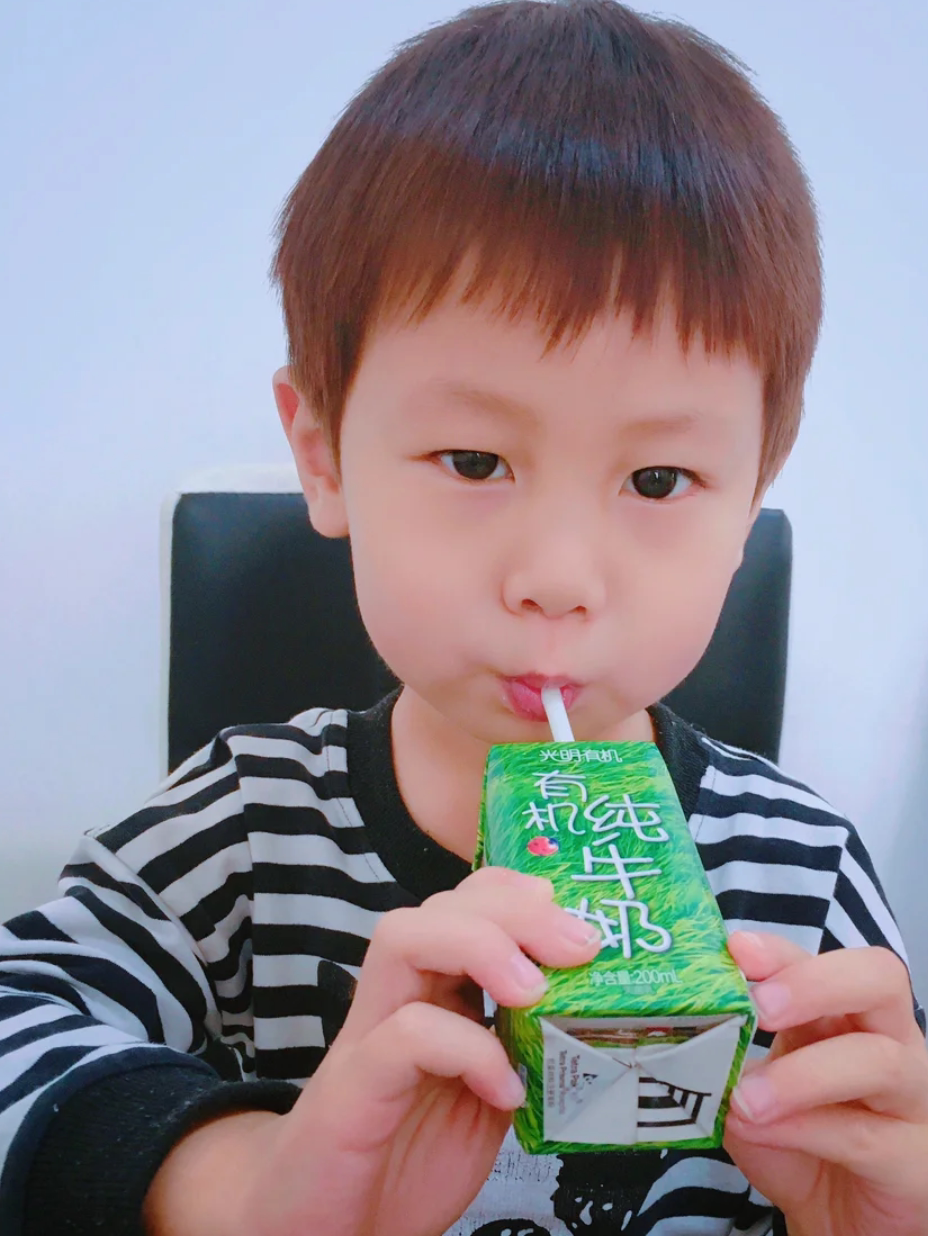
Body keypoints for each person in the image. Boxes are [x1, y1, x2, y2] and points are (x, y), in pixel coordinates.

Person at [2, 1, 927, 1233]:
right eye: (476, 460)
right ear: (323, 455)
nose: (558, 576)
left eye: (658, 479)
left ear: (753, 489)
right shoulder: (237, 834)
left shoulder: (801, 877)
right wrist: (236, 1183)